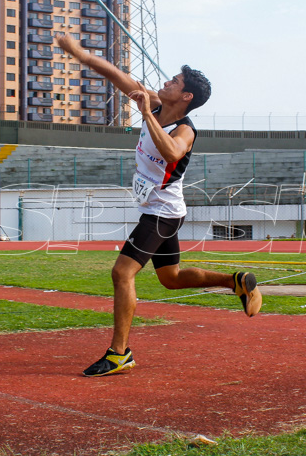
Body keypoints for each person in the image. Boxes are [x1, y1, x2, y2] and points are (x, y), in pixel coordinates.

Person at [56, 34, 262, 378]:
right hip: (163, 209)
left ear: (186, 96)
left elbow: (171, 152)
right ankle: (235, 281)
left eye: (175, 80)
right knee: (171, 278)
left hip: (161, 213)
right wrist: (80, 54)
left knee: (122, 273)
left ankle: (119, 353)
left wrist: (145, 115)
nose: (166, 81)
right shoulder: (151, 102)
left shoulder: (184, 129)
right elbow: (114, 74)